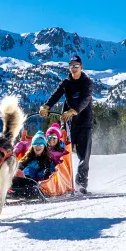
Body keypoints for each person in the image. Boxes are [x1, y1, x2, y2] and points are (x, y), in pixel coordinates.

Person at [40, 54, 93, 194]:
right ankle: (59, 182)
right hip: (68, 124)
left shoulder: (87, 82)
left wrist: (74, 111)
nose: (74, 68)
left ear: (81, 67)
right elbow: (56, 95)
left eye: (76, 66)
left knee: (83, 157)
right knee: (61, 153)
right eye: (71, 66)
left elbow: (85, 99)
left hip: (84, 124)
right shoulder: (66, 82)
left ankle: (81, 185)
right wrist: (46, 106)